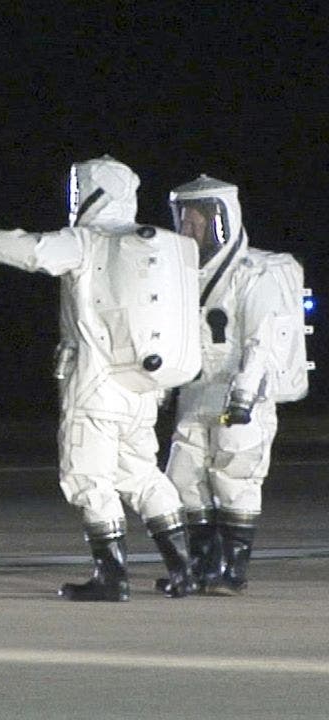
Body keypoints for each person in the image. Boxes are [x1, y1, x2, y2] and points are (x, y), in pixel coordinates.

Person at [0, 155, 202, 601]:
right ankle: (185, 571)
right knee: (142, 475)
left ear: (91, 192)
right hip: (143, 389)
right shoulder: (145, 248)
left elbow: (26, 249)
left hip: (96, 385)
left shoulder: (88, 241)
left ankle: (112, 578)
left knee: (87, 477)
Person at [163, 175, 295, 595]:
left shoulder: (254, 275)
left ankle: (232, 571)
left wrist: (243, 398)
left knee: (234, 478)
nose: (187, 228)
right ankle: (205, 565)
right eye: (182, 218)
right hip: (196, 390)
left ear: (219, 218)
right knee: (182, 478)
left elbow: (260, 340)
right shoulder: (183, 275)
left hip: (242, 393)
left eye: (196, 219)